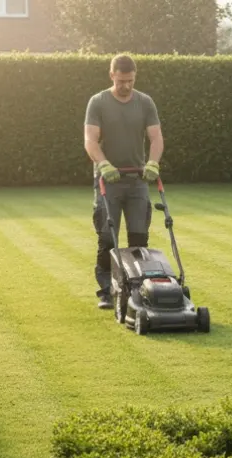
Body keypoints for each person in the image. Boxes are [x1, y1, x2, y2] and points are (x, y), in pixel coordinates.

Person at [84, 54, 164, 309]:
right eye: (121, 81)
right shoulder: (98, 102)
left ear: (135, 77)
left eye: (130, 80)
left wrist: (152, 162)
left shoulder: (145, 102)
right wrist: (103, 164)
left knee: (139, 238)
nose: (126, 86)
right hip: (109, 181)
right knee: (108, 237)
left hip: (137, 180)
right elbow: (90, 140)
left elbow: (156, 137)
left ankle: (137, 287)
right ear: (111, 76)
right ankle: (107, 291)